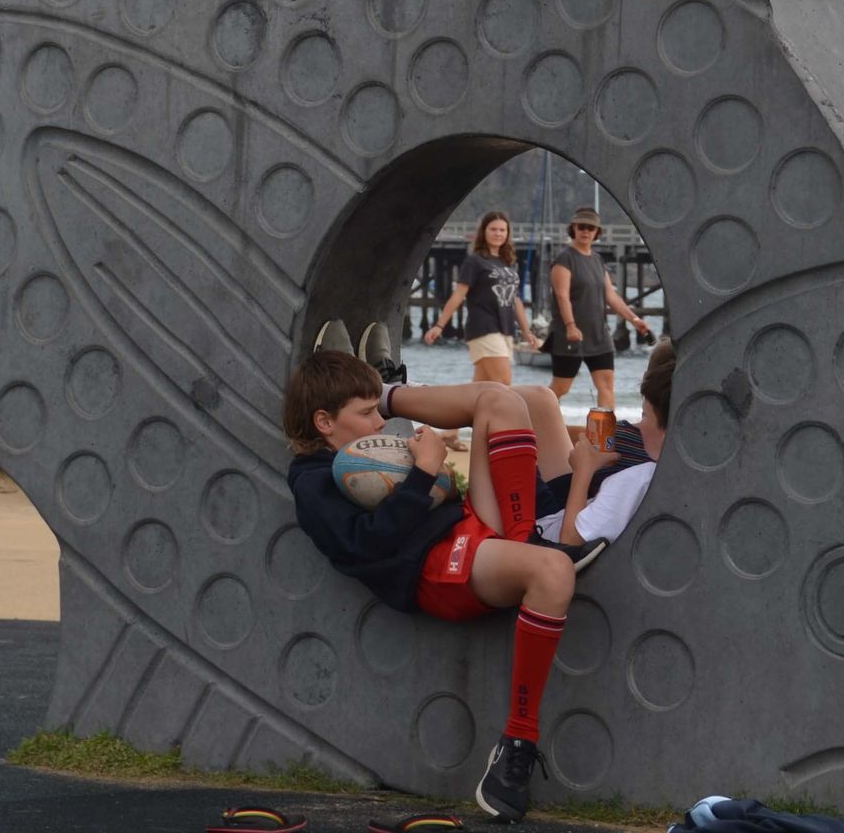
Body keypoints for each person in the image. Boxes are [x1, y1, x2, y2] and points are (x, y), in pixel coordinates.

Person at [285, 349, 596, 822]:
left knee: (524, 399)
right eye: (367, 412)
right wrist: (424, 472)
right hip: (435, 568)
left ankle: (528, 537)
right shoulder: (311, 480)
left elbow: (440, 495)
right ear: (324, 422)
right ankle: (517, 742)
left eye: (377, 410)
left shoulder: (371, 448)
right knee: (553, 572)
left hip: (465, 529)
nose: (378, 424)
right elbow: (366, 544)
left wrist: (438, 475)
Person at [540, 336, 674, 548]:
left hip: (556, 527)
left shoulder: (634, 472)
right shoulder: (673, 467)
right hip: (578, 515)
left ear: (646, 379)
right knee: (538, 399)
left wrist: (583, 470)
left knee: (530, 401)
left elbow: (570, 540)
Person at [546, 207, 651, 415]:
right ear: (573, 229)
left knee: (606, 384)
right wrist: (570, 326)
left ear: (597, 232)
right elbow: (561, 296)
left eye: (591, 228)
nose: (586, 231)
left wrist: (634, 319)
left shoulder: (597, 259)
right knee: (561, 387)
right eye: (581, 227)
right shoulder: (564, 259)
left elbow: (611, 296)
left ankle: (605, 432)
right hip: (570, 335)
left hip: (599, 335)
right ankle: (536, 418)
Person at [423, 210, 540, 383]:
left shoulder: (507, 262)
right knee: (503, 383)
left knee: (483, 387)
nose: (498, 233)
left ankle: (456, 402)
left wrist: (526, 331)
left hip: (505, 329)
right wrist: (439, 325)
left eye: (502, 230)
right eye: (493, 229)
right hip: (484, 328)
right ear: (484, 232)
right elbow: (458, 295)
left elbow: (515, 300)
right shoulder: (475, 261)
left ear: (507, 234)